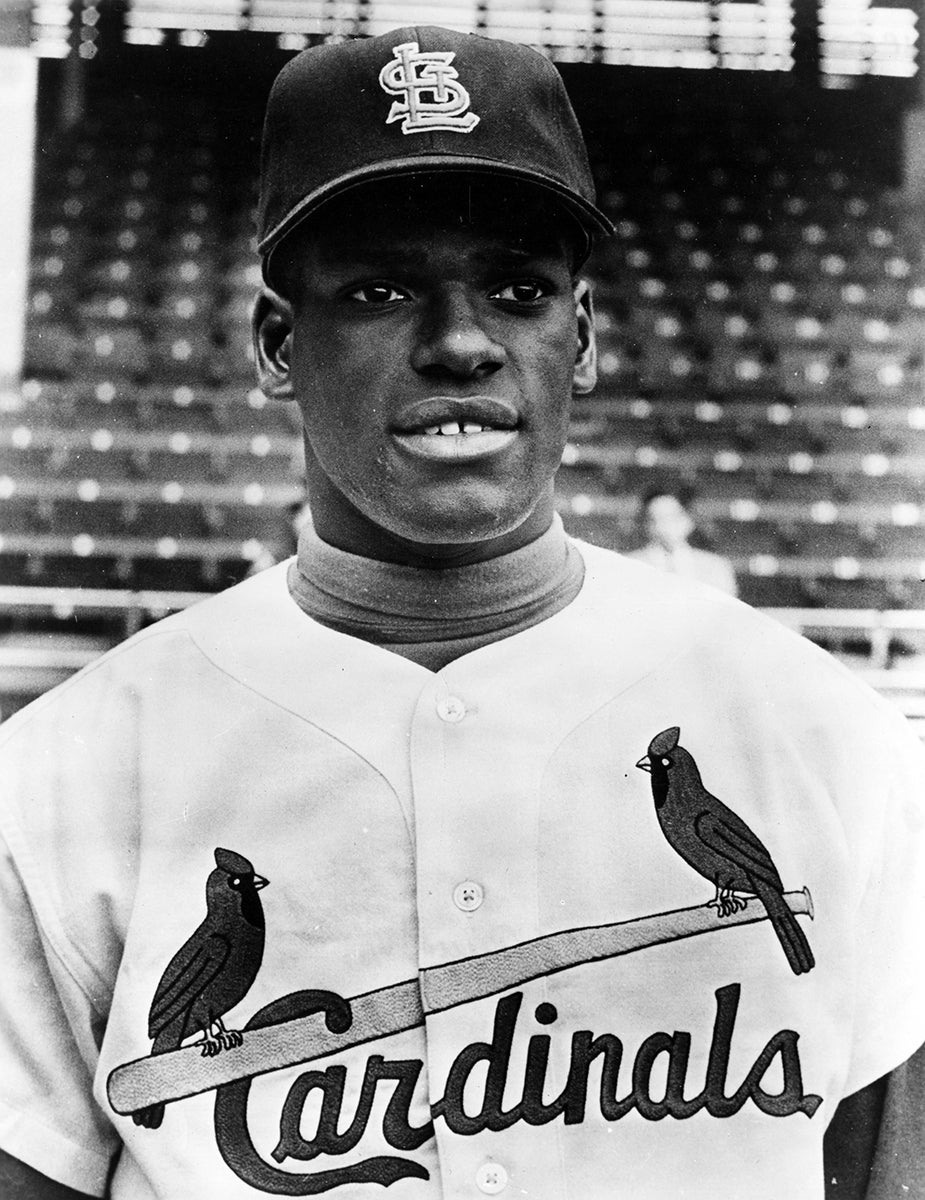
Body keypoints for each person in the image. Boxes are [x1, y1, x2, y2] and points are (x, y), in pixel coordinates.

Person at [0, 26, 923, 1200]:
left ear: (577, 341)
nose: (461, 343)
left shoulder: (820, 733)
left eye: (518, 288)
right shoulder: (68, 770)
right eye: (380, 290)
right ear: (280, 344)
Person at [630, 487, 738, 596]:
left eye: (673, 517)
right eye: (658, 519)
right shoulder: (631, 566)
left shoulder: (715, 565)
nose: (667, 526)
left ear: (688, 520)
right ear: (646, 525)